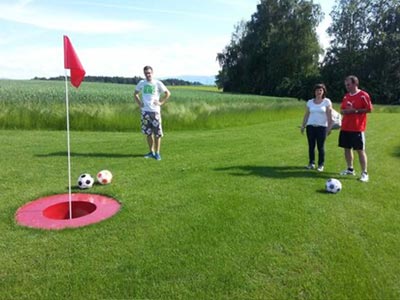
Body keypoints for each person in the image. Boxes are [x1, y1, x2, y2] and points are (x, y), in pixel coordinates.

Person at [339, 75, 373, 182]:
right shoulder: (346, 96)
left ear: (355, 84)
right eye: (346, 85)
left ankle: (364, 173)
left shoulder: (363, 95)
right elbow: (342, 109)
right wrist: (344, 112)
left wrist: (355, 111)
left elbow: (369, 109)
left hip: (357, 128)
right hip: (345, 127)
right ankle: (350, 169)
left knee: (360, 150)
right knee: (346, 149)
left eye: (348, 84)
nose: (347, 86)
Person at [134, 66, 171, 161]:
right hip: (145, 112)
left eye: (149, 73)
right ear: (144, 74)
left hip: (155, 112)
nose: (148, 75)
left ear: (152, 73)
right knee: (148, 133)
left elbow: (167, 93)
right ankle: (151, 152)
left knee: (157, 134)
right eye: (146, 73)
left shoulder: (157, 83)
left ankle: (157, 153)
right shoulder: (142, 83)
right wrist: (139, 103)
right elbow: (135, 94)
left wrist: (161, 102)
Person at [301, 83, 333, 172]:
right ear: (314, 92)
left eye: (320, 90)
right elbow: (306, 115)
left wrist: (329, 128)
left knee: (320, 146)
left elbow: (330, 116)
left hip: (322, 127)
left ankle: (320, 165)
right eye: (317, 90)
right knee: (311, 146)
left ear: (323, 92)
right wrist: (303, 125)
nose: (318, 92)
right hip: (310, 127)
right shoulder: (310, 102)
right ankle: (311, 163)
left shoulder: (327, 102)